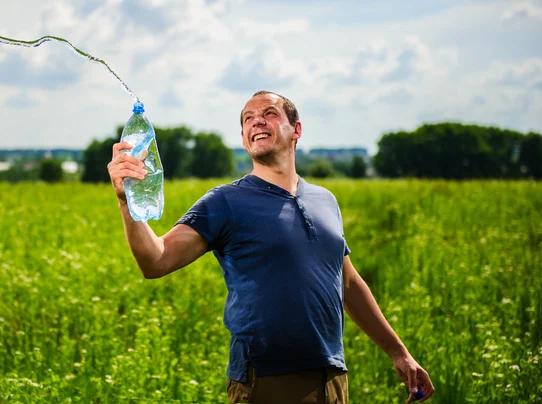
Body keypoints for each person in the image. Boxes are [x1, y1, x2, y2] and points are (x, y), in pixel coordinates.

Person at [107, 90, 435, 404]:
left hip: (332, 377)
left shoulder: (325, 200)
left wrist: (399, 353)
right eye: (248, 119)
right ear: (244, 138)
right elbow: (157, 261)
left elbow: (347, 283)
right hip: (265, 379)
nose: (257, 122)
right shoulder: (225, 201)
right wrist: (127, 201)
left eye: (269, 114)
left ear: (296, 130)